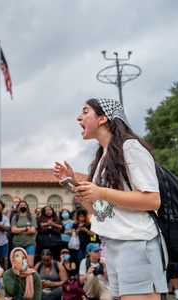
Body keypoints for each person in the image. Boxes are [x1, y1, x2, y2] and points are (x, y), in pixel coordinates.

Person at [54, 97, 168, 299]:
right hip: (113, 245)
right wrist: (74, 184)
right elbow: (100, 212)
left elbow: (152, 200)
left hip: (137, 243)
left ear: (103, 118)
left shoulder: (130, 147)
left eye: (85, 111)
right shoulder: (102, 158)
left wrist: (102, 192)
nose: (78, 117)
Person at [11, 200, 37, 267]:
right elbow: (13, 230)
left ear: (27, 207)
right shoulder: (15, 218)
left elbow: (33, 230)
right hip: (18, 243)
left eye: (24, 205)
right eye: (21, 205)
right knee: (18, 264)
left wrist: (19, 229)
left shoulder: (32, 217)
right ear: (18, 207)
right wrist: (25, 228)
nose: (23, 206)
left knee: (30, 265)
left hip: (30, 243)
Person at [0, 199, 10, 269]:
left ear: (2, 209)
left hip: (3, 243)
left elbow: (8, 228)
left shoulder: (5, 218)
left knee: (3, 260)